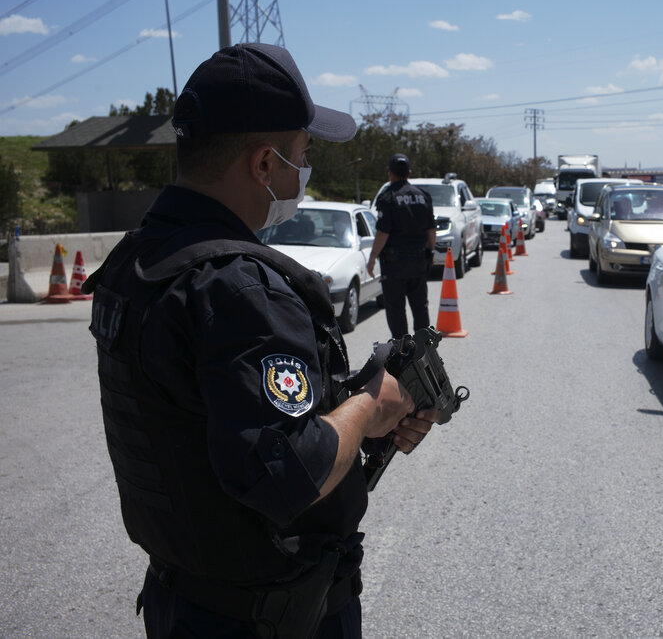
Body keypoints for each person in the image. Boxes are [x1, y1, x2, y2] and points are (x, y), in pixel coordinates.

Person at [83, 43, 439, 639]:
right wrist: (369, 407)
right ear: (263, 165)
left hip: (184, 600)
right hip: (268, 618)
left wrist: (345, 415)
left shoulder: (138, 260)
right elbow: (288, 471)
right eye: (301, 156)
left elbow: (215, 417)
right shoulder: (239, 288)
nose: (304, 172)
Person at [367, 154, 436, 338]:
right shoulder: (423, 196)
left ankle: (403, 350)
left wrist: (372, 257)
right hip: (419, 261)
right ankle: (424, 351)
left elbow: (383, 233)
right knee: (420, 307)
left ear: (390, 174)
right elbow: (431, 229)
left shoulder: (387, 198)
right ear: (409, 173)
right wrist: (432, 251)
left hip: (394, 265)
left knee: (396, 309)